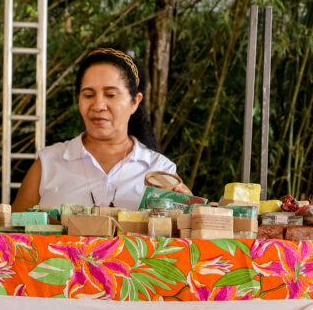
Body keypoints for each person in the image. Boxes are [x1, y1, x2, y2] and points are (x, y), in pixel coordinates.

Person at [11, 46, 191, 212]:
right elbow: (12, 239)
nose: (98, 105)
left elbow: (182, 241)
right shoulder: (48, 164)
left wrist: (189, 213)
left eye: (111, 95)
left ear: (134, 102)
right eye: (88, 95)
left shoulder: (160, 170)